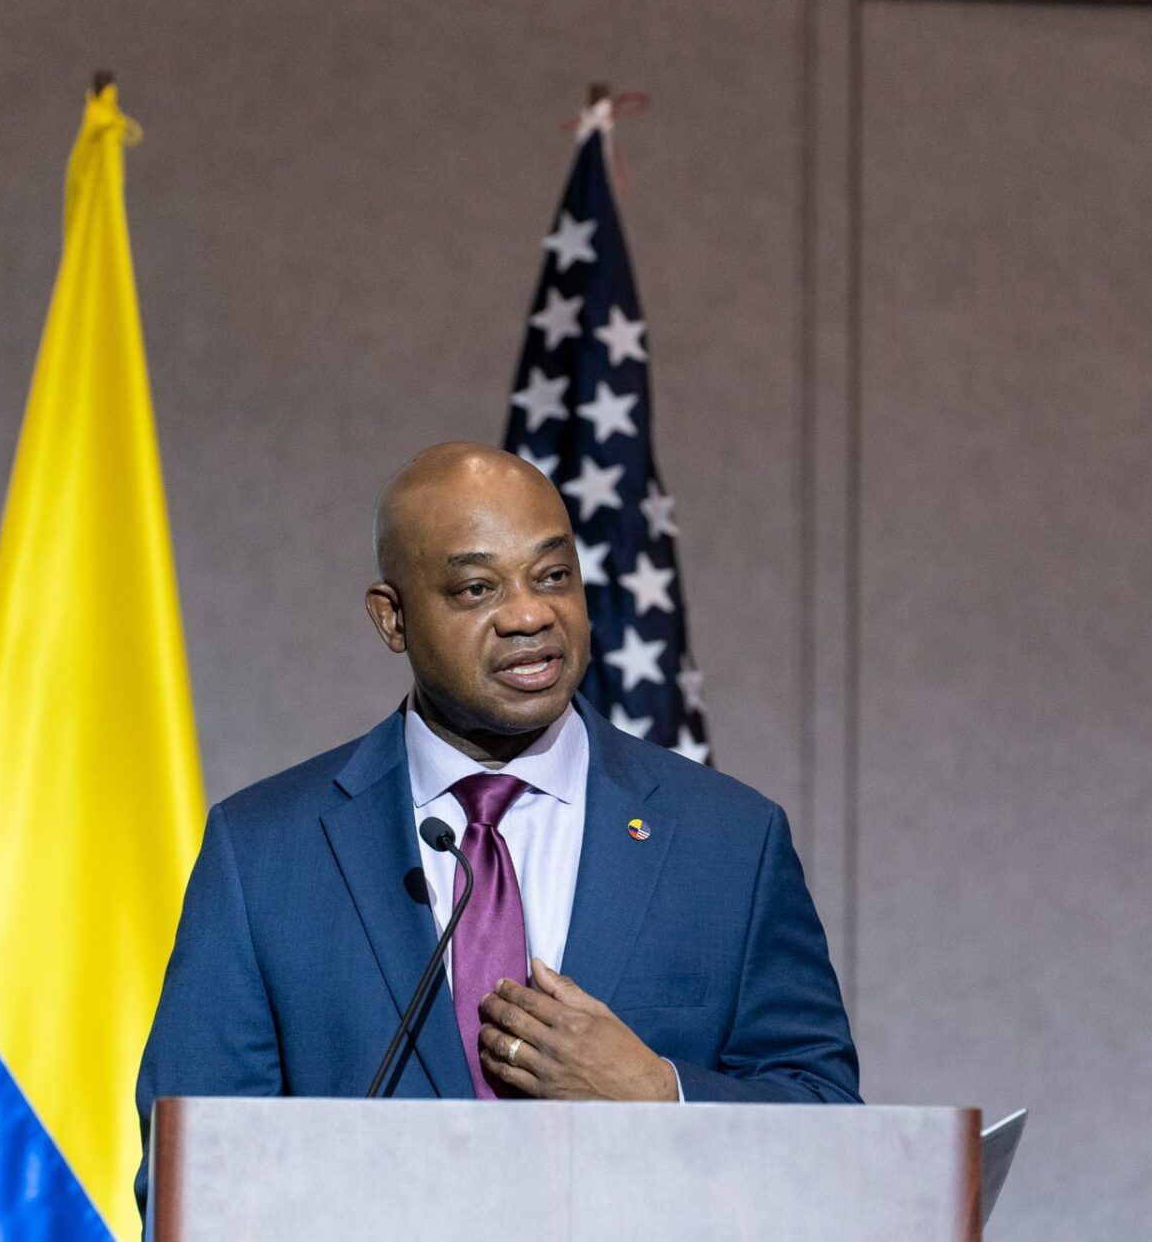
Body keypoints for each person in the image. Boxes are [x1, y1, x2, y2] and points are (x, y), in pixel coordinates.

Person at [135, 442, 858, 1204]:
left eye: (554, 575)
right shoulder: (264, 852)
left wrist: (658, 1094)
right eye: (477, 588)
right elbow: (197, 1176)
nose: (529, 614)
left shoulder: (729, 842)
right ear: (392, 617)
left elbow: (834, 1129)